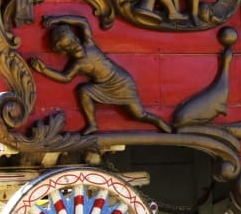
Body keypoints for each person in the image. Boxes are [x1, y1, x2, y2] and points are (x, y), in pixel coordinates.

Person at [30, 15, 171, 135]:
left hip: (121, 81)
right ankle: (93, 125)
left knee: (139, 114)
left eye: (74, 40)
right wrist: (44, 70)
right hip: (103, 85)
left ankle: (159, 122)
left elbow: (83, 21)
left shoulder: (89, 43)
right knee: (83, 90)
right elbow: (66, 77)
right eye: (70, 45)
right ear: (64, 51)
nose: (76, 44)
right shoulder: (78, 64)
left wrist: (57, 19)